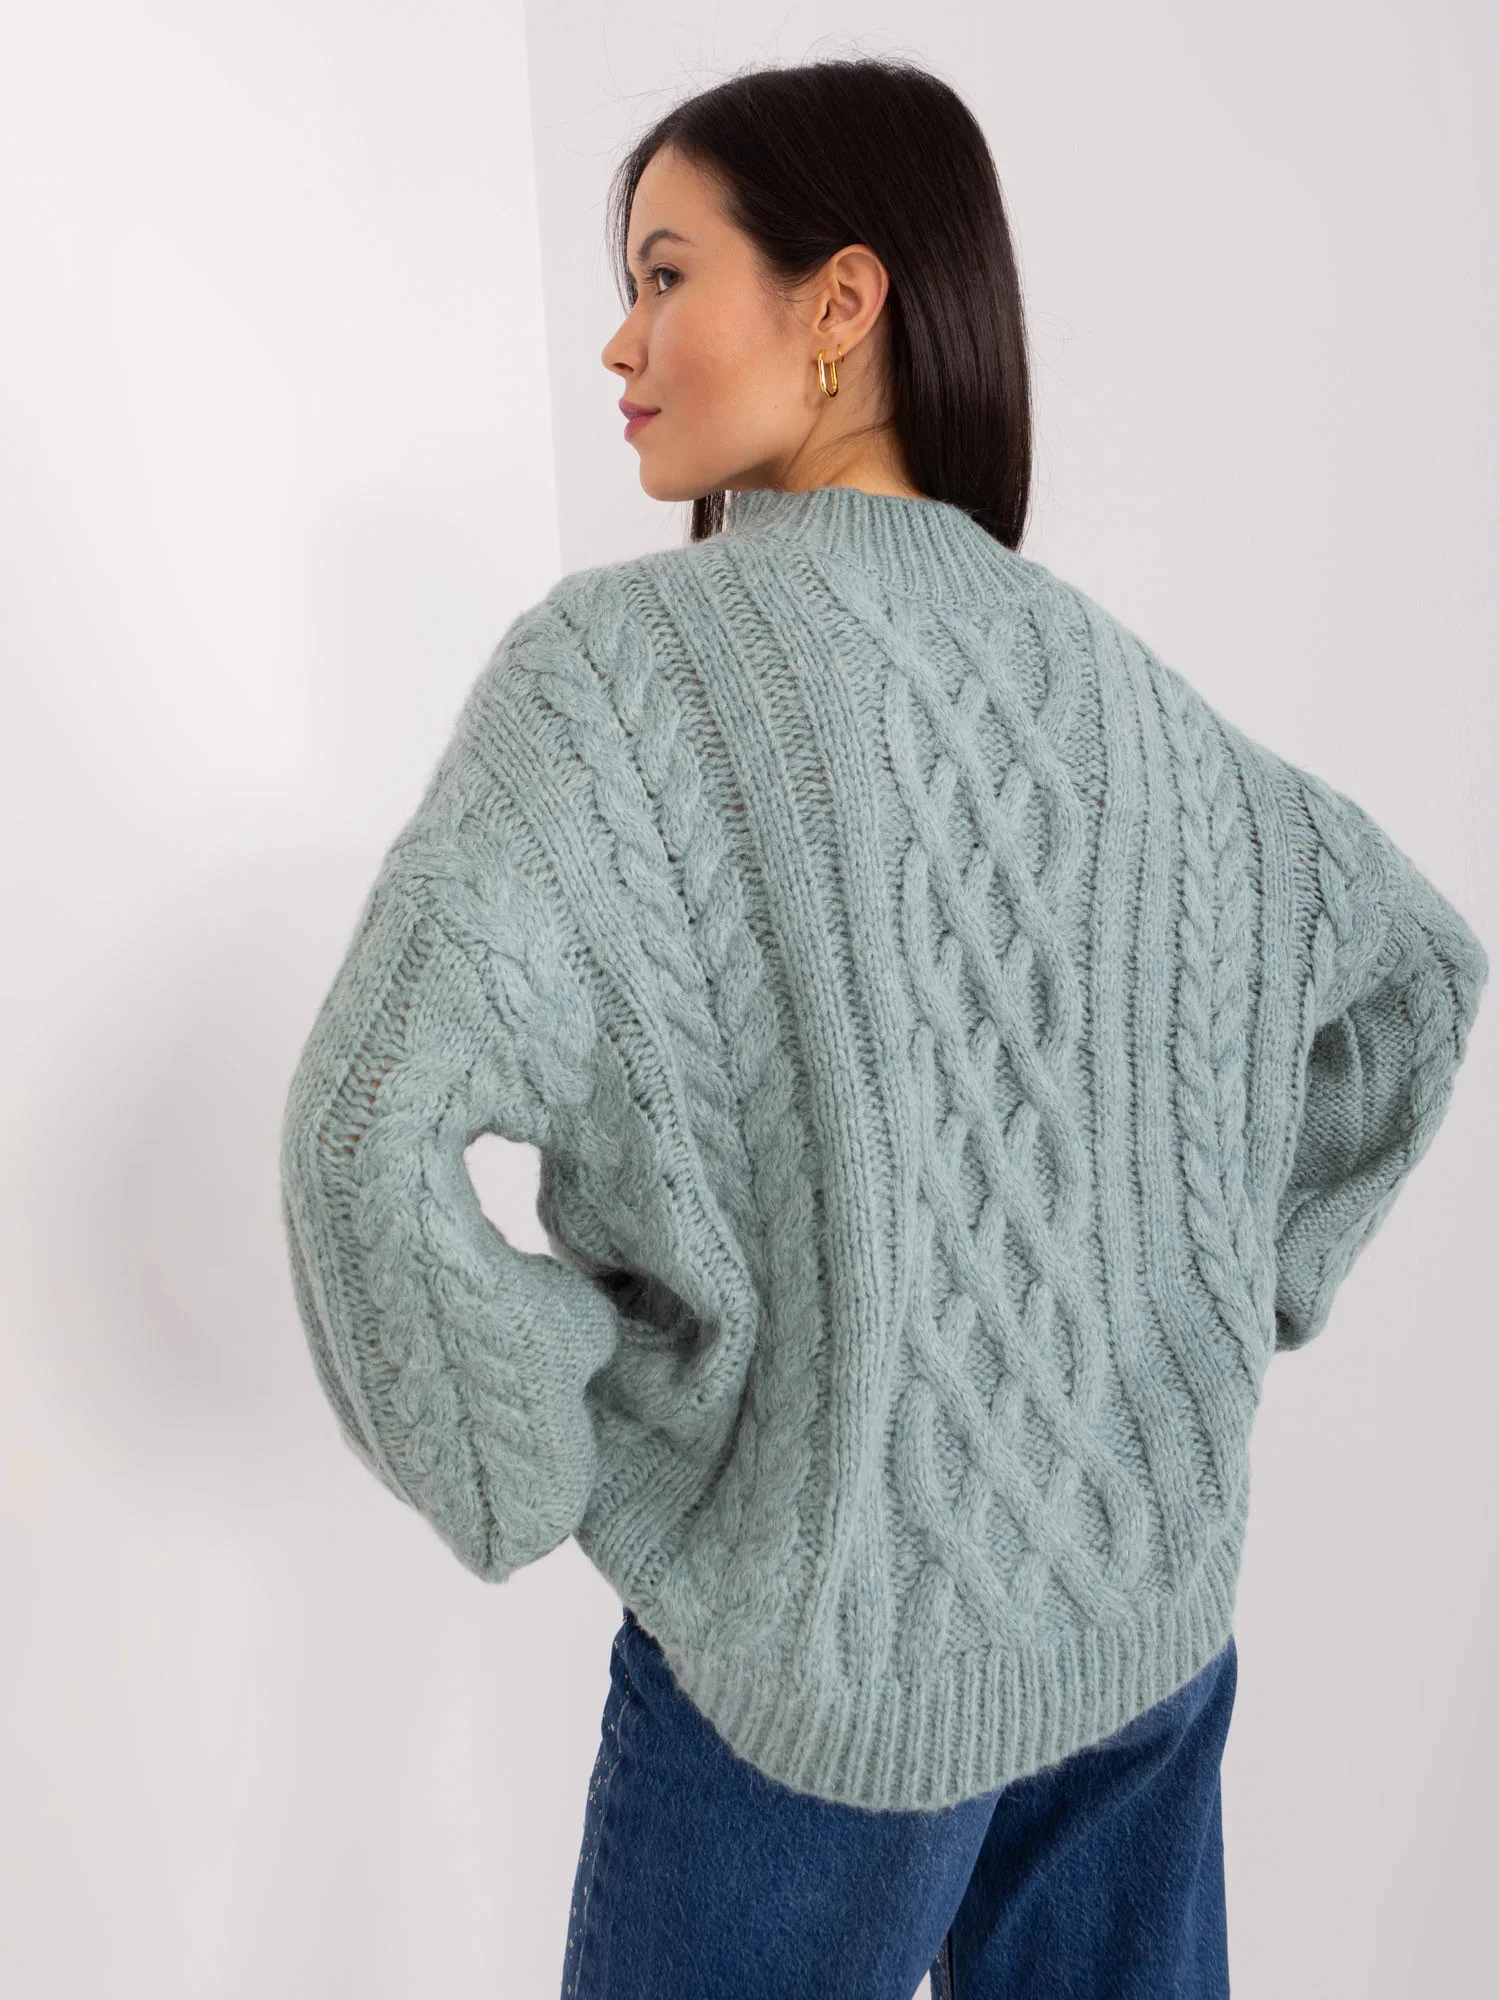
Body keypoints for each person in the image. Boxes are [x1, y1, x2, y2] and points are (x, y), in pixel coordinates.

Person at [278, 57, 1489, 2000]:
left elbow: (366, 1129)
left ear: (841, 301)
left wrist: (542, 1454)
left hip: (819, 1653)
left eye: (666, 274)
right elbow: (1412, 983)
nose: (622, 340)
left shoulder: (616, 677)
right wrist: (1214, 1298)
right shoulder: (1131, 699)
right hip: (1140, 1620)